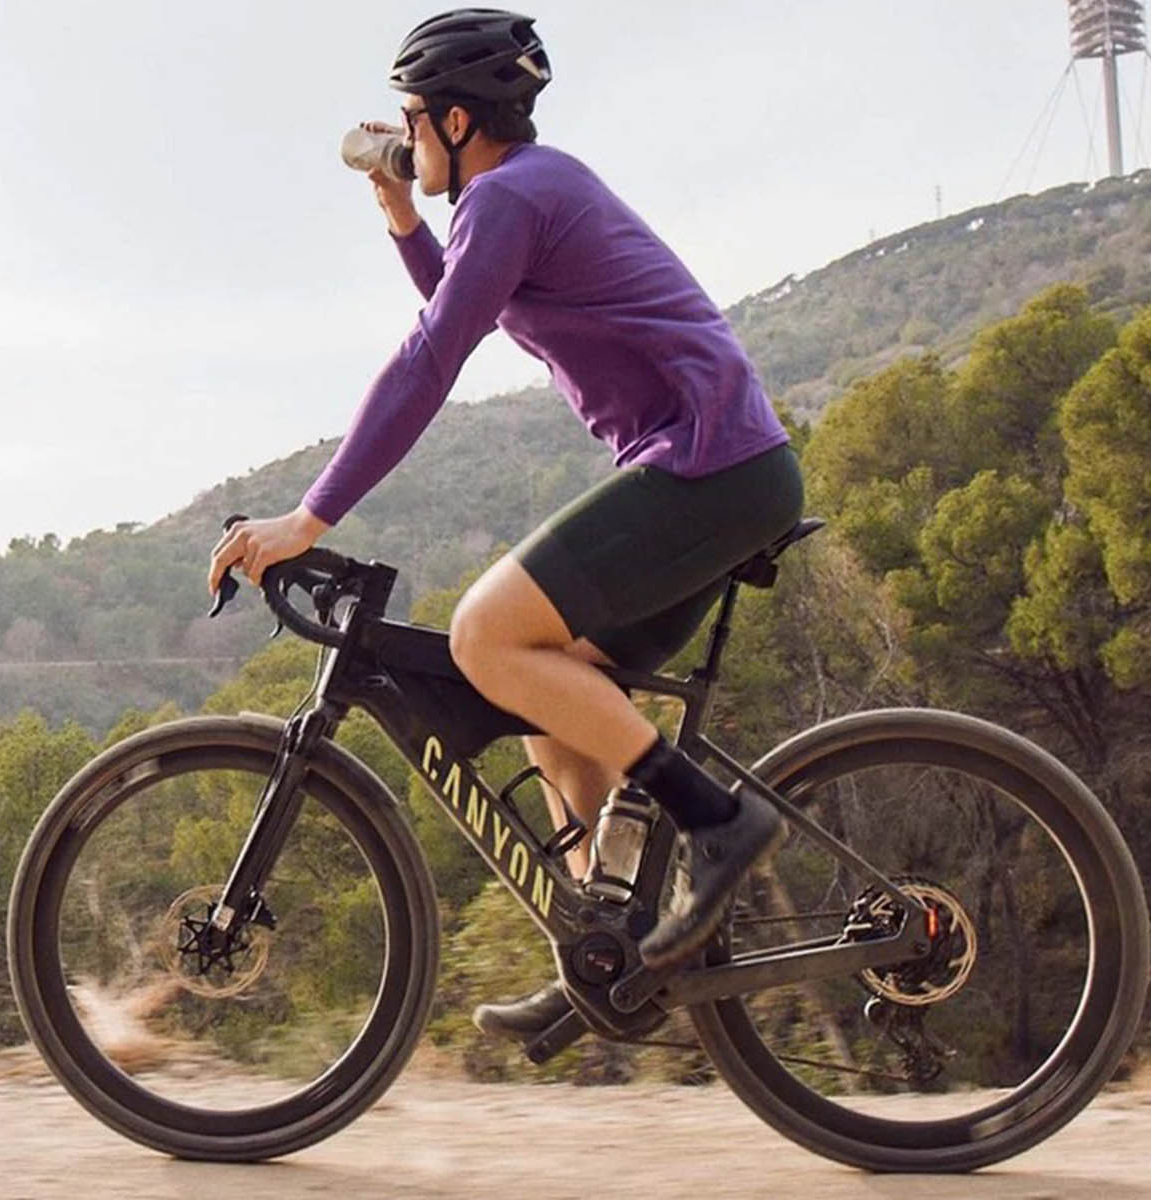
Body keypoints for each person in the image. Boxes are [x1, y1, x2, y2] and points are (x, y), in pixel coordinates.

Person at [207, 8, 803, 1041]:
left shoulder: (512, 195)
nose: (399, 135)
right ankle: (603, 954)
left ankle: (716, 819)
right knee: (547, 702)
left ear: (449, 117)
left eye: (408, 120)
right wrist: (402, 218)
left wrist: (310, 515)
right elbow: (461, 305)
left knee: (488, 637)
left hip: (711, 468)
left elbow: (429, 359)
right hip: (715, 470)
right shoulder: (510, 199)